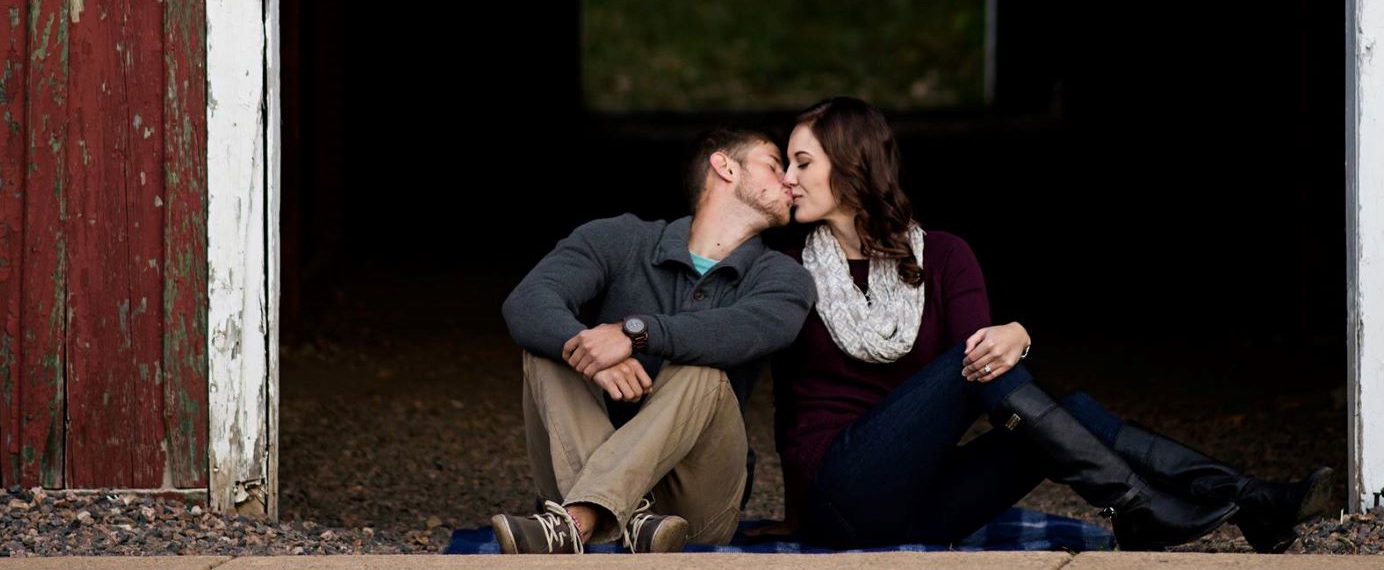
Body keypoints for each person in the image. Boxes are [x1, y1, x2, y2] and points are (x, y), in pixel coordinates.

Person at [771, 96, 1338, 552]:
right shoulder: (789, 271)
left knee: (1059, 403)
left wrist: (1017, 336)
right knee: (981, 359)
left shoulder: (943, 257)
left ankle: (1250, 500)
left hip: (919, 505)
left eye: (802, 162)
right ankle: (1142, 506)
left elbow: (991, 381)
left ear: (852, 167)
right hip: (839, 494)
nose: (788, 179)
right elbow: (779, 392)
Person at [491, 128, 816, 555]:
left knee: (701, 368)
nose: (791, 180)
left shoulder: (783, 275)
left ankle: (582, 518)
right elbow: (528, 302)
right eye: (775, 166)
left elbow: (748, 329)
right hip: (583, 463)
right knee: (553, 347)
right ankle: (627, 516)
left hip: (694, 506)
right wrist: (591, 349)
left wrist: (634, 334)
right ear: (726, 167)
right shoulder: (621, 238)